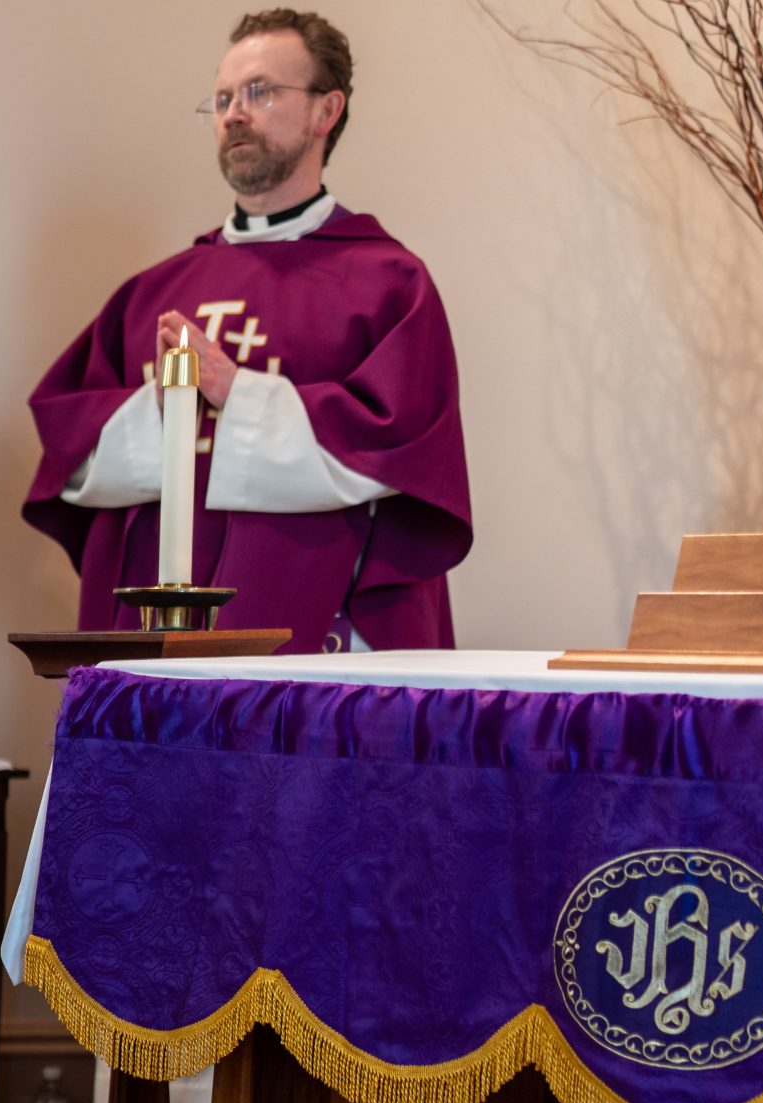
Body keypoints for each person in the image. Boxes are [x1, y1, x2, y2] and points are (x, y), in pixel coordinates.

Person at [24, 10, 472, 653]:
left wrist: (236, 390)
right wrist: (159, 410)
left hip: (315, 638)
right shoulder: (149, 295)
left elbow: (402, 454)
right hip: (156, 648)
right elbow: (70, 456)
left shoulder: (388, 284)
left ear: (326, 112)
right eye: (223, 98)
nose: (234, 113)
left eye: (260, 92)